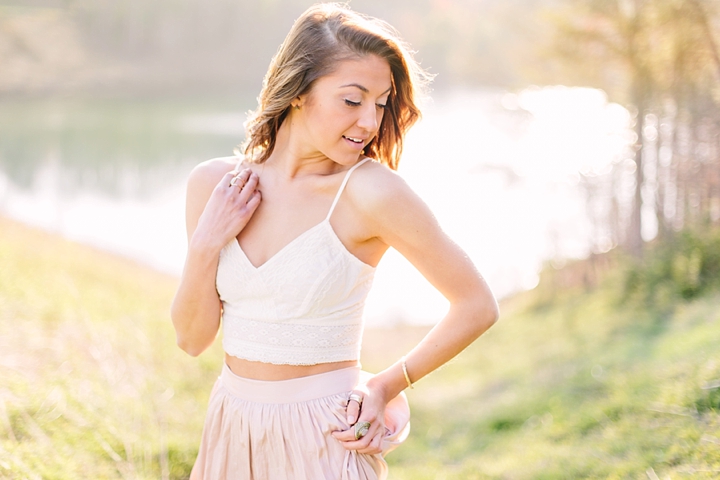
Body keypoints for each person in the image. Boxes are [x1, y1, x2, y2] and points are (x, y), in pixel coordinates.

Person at [170, 3, 499, 479]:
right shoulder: (215, 186)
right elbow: (191, 338)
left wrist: (387, 385)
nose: (369, 122)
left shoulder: (371, 192)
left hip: (326, 438)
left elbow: (476, 304)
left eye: (381, 103)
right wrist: (206, 243)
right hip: (231, 429)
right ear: (298, 91)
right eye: (352, 100)